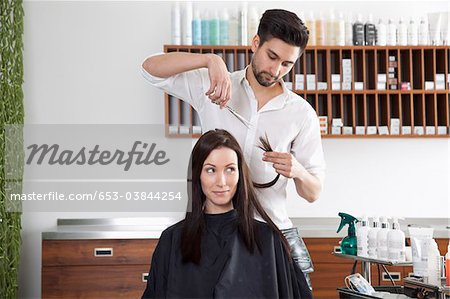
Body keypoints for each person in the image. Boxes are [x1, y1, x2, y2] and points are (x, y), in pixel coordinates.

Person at [141, 8, 326, 288]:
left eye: (287, 64)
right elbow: (149, 70)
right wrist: (209, 60)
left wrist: (297, 171)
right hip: (215, 234)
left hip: (274, 237)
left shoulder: (301, 113)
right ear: (255, 43)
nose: (276, 70)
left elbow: (313, 192)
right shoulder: (214, 84)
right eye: (271, 56)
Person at [141, 129, 312, 298]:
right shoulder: (172, 240)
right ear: (197, 175)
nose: (221, 182)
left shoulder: (267, 239)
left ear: (240, 174)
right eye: (211, 170)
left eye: (230, 169)